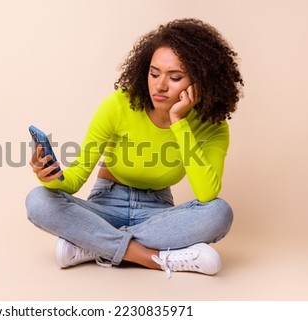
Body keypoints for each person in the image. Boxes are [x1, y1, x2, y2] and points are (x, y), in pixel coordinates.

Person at [25, 18, 244, 278]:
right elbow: (75, 180)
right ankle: (156, 257)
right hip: (105, 203)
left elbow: (207, 194)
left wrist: (178, 122)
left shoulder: (212, 127)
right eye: (154, 73)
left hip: (158, 213)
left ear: (200, 82)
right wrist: (50, 177)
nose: (160, 85)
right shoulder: (118, 105)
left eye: (175, 77)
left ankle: (94, 245)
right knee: (38, 200)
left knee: (220, 213)